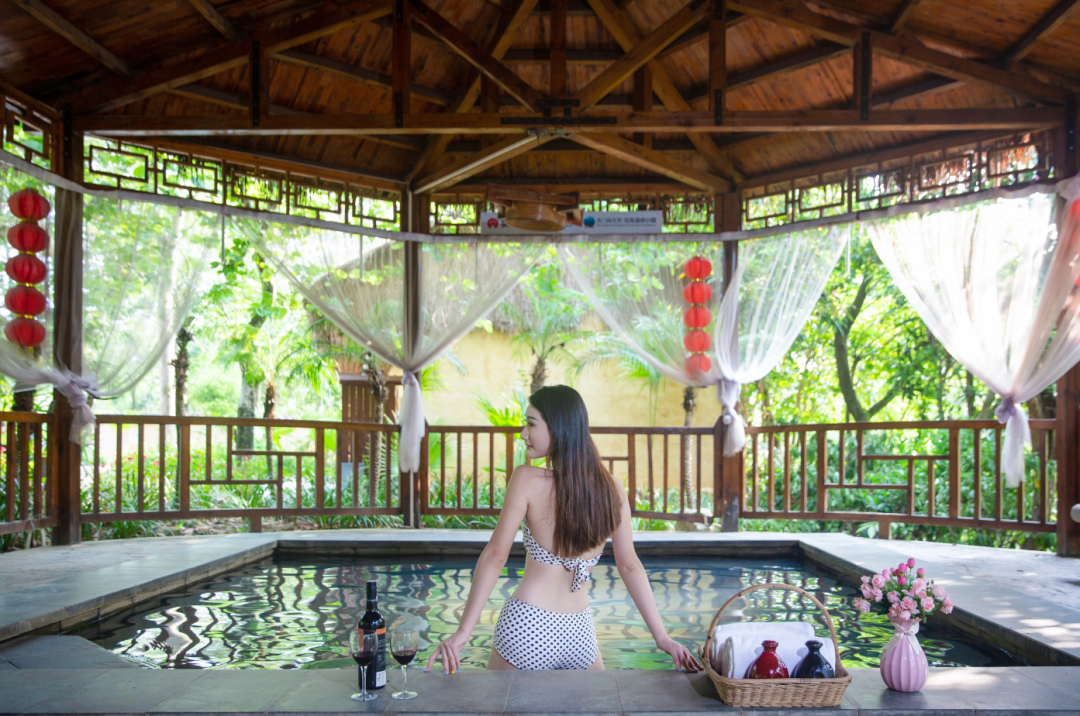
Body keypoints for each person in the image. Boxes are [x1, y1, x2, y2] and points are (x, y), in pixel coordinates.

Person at [425, 385, 703, 673]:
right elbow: (630, 565)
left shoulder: (526, 480)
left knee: (501, 702)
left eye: (531, 424)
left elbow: (496, 556)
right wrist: (662, 637)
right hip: (580, 633)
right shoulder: (612, 490)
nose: (522, 433)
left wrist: (463, 632)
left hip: (528, 627)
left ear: (558, 427)